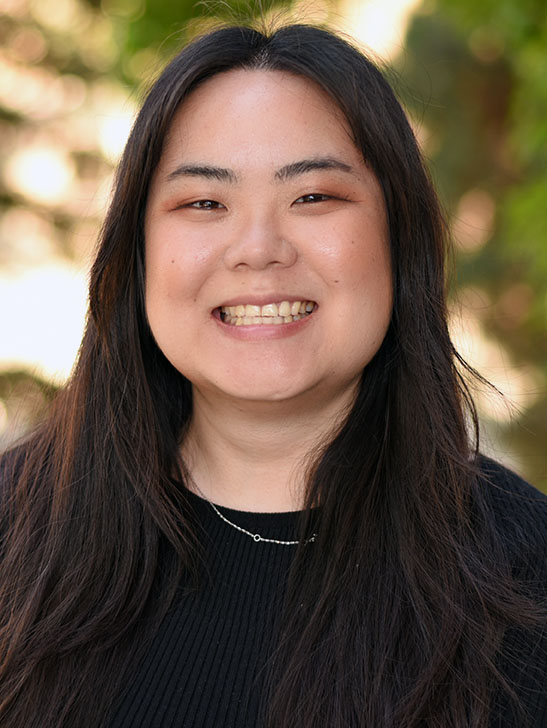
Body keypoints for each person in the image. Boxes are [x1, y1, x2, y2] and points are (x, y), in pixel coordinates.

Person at [0, 22, 545, 728]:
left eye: (313, 197)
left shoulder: (525, 582)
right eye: (203, 204)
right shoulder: (15, 539)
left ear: (397, 238)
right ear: (134, 257)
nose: (257, 250)